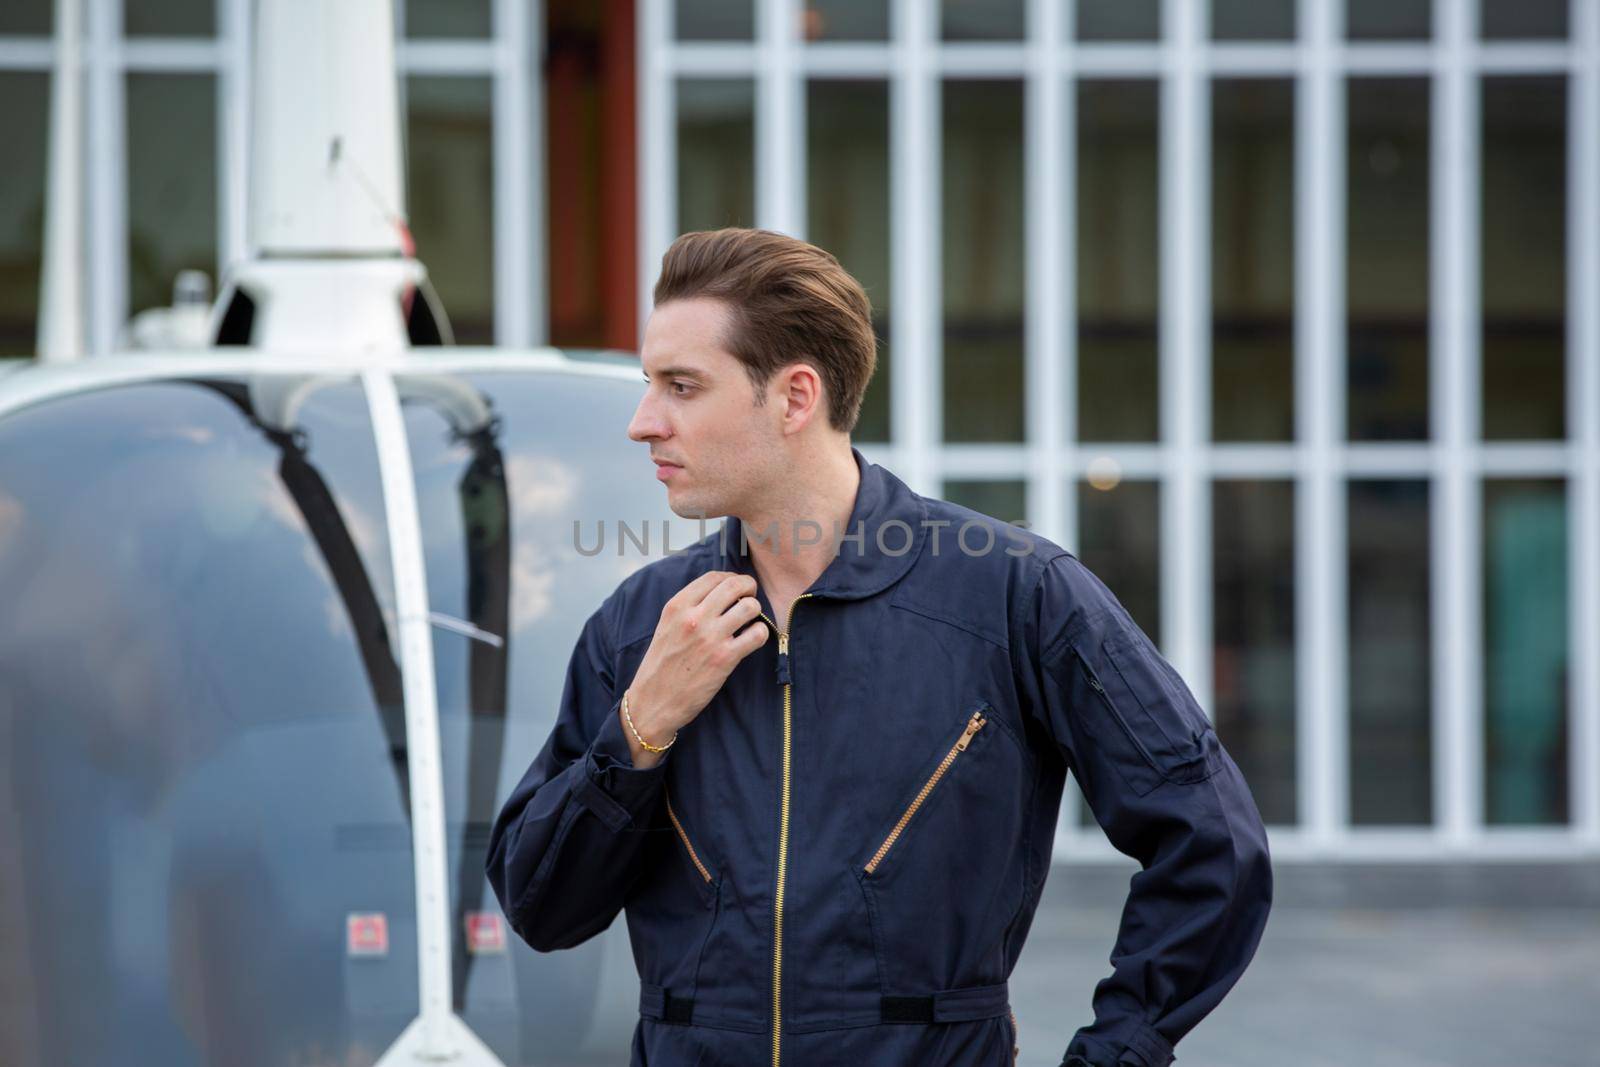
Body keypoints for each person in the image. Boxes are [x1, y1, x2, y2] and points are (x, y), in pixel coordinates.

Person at [485, 227, 1272, 1067]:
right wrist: (640, 727)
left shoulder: (1014, 594)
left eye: (681, 386)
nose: (644, 422)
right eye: (649, 385)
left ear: (794, 398)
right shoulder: (644, 624)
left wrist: (1117, 1052)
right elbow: (543, 907)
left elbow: (1212, 844)